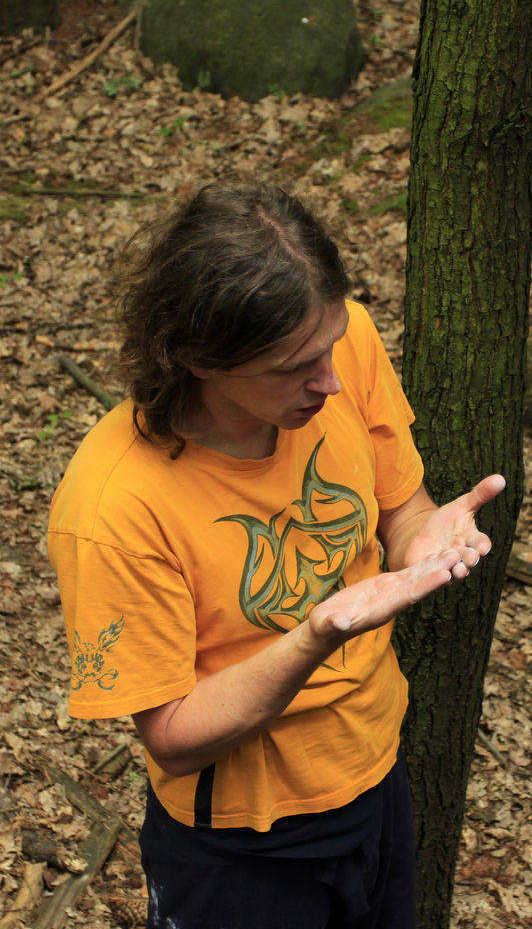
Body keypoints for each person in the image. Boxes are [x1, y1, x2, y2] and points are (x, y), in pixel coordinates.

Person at [48, 182, 505, 929]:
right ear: (197, 357)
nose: (328, 381)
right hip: (241, 844)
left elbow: (399, 507)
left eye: (329, 348)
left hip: (375, 775)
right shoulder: (115, 505)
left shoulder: (337, 337)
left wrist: (419, 538)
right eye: (294, 367)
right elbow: (171, 740)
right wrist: (315, 636)